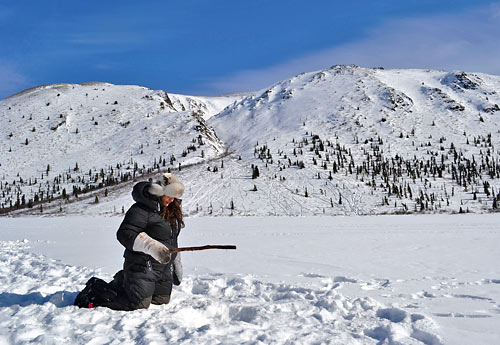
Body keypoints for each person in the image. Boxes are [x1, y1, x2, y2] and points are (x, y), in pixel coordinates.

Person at [74, 173, 185, 311]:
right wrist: (151, 246)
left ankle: (124, 281)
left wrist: (176, 264)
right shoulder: (141, 209)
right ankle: (97, 289)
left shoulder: (172, 211)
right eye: (168, 195)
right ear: (159, 192)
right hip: (143, 265)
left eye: (174, 196)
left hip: (163, 268)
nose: (171, 199)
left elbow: (172, 239)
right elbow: (125, 233)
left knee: (161, 300)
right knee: (138, 304)